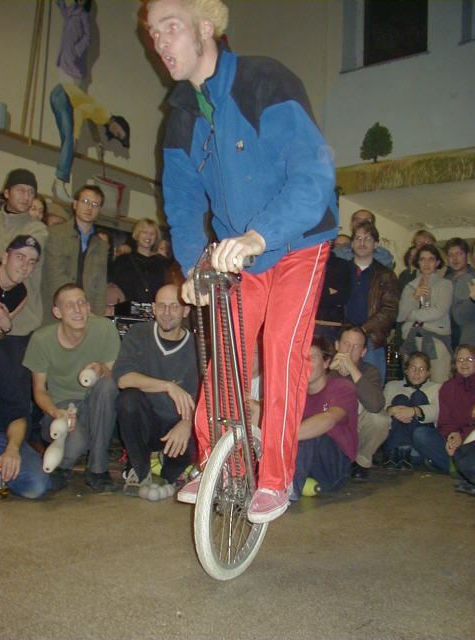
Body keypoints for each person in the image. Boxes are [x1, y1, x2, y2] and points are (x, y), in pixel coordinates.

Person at [146, 0, 338, 523]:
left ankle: (275, 478)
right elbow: (182, 205)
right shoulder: (180, 118)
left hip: (298, 239)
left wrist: (259, 234)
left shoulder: (263, 81)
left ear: (205, 28)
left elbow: (314, 175)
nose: (160, 42)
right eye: (153, 33)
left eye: (170, 27)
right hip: (241, 254)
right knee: (227, 352)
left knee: (281, 349)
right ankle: (217, 464)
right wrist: (193, 266)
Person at [23, 284, 120, 493]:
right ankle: (62, 465)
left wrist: (102, 369)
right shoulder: (42, 339)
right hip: (62, 407)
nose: (77, 310)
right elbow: (39, 390)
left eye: (81, 303)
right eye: (69, 305)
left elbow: (116, 379)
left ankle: (98, 469)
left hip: (95, 406)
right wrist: (55, 412)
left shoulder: (104, 329)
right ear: (57, 312)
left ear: (88, 307)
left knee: (107, 386)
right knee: (77, 442)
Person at [113, 284, 198, 500]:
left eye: (174, 306)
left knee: (175, 474)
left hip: (177, 426)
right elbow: (123, 379)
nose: (167, 312)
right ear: (153, 308)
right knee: (127, 400)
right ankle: (139, 469)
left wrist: (188, 422)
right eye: (161, 306)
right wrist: (168, 386)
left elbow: (205, 399)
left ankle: (171, 468)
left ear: (186, 310)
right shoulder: (139, 334)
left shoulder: (197, 348)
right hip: (147, 424)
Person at [0, 169, 48, 418]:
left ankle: (18, 436)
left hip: (22, 323)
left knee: (15, 391)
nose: (27, 196)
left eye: (31, 192)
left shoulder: (38, 229)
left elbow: (19, 249)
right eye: (20, 190)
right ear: (6, 192)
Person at [291, 336, 358, 500]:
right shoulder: (295, 393)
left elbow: (328, 420)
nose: (306, 363)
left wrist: (283, 437)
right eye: (302, 358)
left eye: (312, 357)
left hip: (332, 467)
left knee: (310, 430)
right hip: (303, 462)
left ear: (326, 362)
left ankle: (287, 494)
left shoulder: (342, 387)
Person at [412, 345, 475, 495]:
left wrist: (462, 436)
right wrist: (451, 437)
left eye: (470, 359)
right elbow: (444, 421)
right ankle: (462, 470)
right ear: (454, 364)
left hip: (471, 439)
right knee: (421, 434)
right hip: (454, 440)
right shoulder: (448, 387)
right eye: (460, 360)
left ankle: (461, 470)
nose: (464, 363)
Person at [50, 83, 129, 202]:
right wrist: (76, 136)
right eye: (118, 132)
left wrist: (97, 142)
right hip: (63, 94)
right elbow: (80, 110)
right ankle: (59, 184)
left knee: (67, 142)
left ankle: (58, 183)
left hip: (60, 94)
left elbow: (90, 119)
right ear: (119, 122)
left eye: (117, 136)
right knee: (69, 142)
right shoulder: (104, 115)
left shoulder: (103, 117)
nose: (115, 133)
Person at [42, 184, 108, 323]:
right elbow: (55, 276)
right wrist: (77, 306)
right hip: (57, 312)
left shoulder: (101, 246)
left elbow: (100, 287)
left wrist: (97, 318)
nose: (89, 208)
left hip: (87, 315)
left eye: (95, 204)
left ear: (99, 210)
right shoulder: (55, 234)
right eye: (85, 201)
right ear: (75, 204)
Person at [329, 325, 387, 481]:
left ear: (363, 352)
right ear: (337, 345)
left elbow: (376, 405)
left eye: (356, 346)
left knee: (380, 419)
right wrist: (328, 371)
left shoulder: (370, 371)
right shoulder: (324, 366)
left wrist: (353, 370)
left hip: (356, 426)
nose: (349, 350)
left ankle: (361, 462)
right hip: (328, 425)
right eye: (346, 344)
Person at [345, 220, 398, 382]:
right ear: (352, 243)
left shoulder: (386, 275)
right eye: (358, 238)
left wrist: (363, 330)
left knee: (371, 388)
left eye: (368, 239)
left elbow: (390, 310)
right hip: (343, 338)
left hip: (372, 341)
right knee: (341, 388)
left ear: (376, 245)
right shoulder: (340, 270)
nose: (362, 243)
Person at [0, 346, 51, 499]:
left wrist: (12, 449)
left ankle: (2, 473)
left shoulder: (0, 358)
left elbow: (18, 417)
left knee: (36, 485)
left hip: (0, 436)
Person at [399, 244, 452, 383]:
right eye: (422, 259)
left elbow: (438, 311)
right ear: (418, 262)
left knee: (439, 382)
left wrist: (412, 315)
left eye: (431, 259)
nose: (426, 263)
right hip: (411, 337)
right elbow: (401, 315)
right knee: (413, 383)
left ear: (438, 262)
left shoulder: (445, 284)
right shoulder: (410, 286)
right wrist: (414, 297)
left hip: (436, 338)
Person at [382, 351, 440, 469]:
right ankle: (396, 451)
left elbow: (437, 412)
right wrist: (392, 410)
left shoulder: (436, 388)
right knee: (400, 399)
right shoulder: (392, 386)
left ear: (428, 373)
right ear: (406, 370)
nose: (417, 373)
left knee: (418, 396)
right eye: (413, 368)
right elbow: (381, 409)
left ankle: (408, 451)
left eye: (422, 369)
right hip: (395, 443)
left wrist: (414, 411)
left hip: (418, 444)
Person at [109, 218, 171, 305]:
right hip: (126, 309)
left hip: (154, 310)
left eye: (152, 233)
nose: (148, 236)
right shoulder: (123, 260)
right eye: (145, 232)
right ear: (137, 234)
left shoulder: (162, 263)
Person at [0, 235, 42, 339]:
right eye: (20, 257)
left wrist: (6, 327)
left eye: (31, 262)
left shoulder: (21, 295)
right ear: (5, 258)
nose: (24, 266)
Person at [444, 237, 475, 349]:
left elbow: (460, 317)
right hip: (448, 338)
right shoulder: (444, 281)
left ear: (467, 256)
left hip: (469, 338)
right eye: (450, 255)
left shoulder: (472, 278)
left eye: (459, 254)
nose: (455, 258)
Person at [55, 0, 91, 85]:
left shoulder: (83, 15)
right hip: (64, 57)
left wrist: (76, 50)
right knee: (62, 86)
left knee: (71, 88)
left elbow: (87, 37)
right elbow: (65, 15)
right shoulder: (71, 10)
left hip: (74, 62)